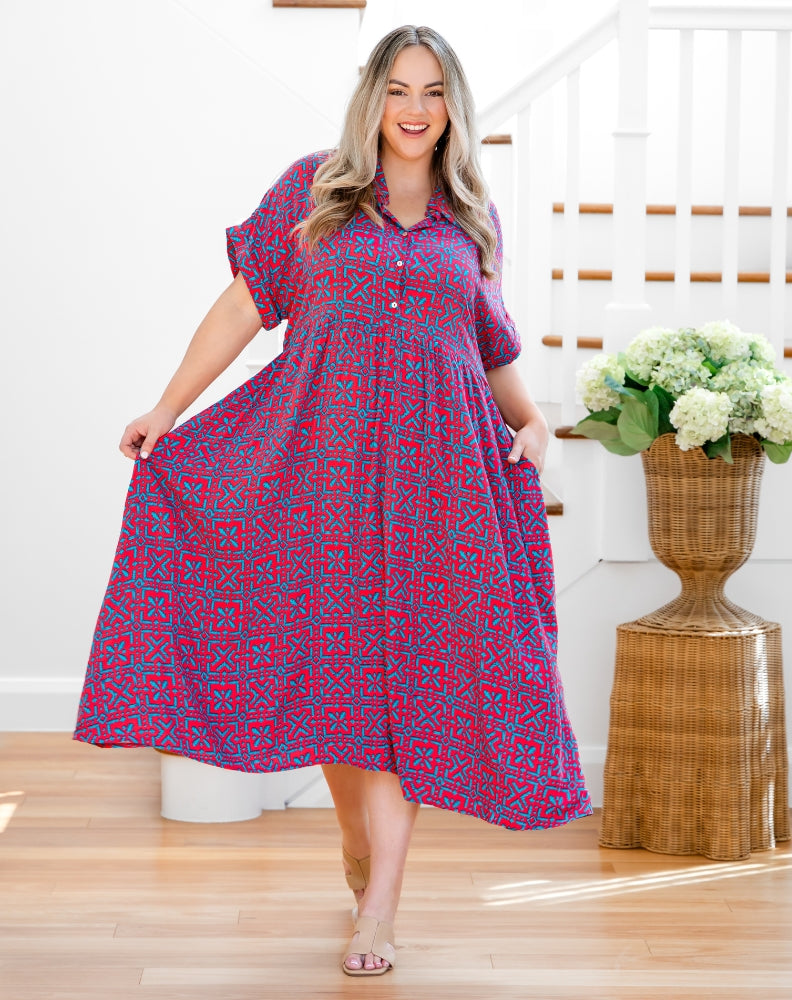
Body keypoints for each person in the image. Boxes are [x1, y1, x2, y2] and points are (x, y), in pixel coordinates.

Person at [72, 23, 592, 977]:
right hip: (323, 479)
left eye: (433, 91)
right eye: (398, 89)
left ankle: (379, 907)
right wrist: (167, 408)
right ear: (372, 97)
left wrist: (533, 426)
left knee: (405, 690)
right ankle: (358, 850)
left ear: (453, 106)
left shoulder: (471, 216)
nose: (414, 109)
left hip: (439, 486)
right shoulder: (313, 190)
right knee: (340, 682)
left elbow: (488, 348)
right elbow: (244, 305)